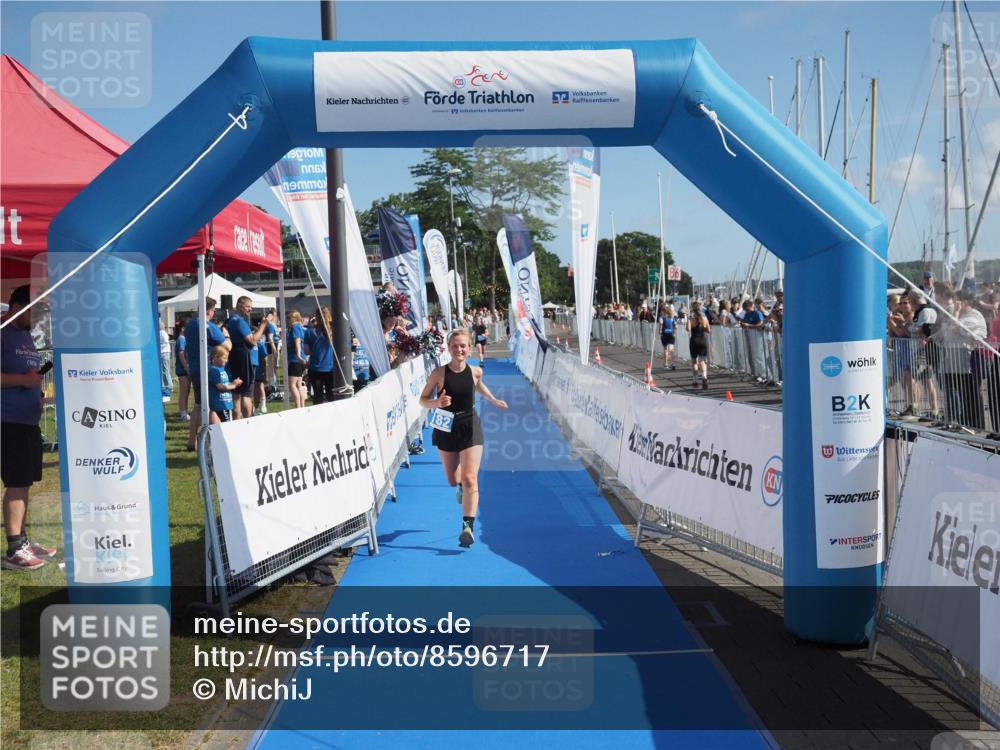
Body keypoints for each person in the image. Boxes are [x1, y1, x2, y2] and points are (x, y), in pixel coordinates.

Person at [419, 329, 508, 548]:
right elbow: (422, 399)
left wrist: (494, 399)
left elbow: (478, 386)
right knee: (453, 479)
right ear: (449, 348)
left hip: (470, 424)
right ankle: (459, 487)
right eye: (455, 345)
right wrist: (436, 403)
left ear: (469, 349)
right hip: (445, 425)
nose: (459, 349)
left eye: (463, 346)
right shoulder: (438, 373)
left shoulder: (476, 371)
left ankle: (467, 526)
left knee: (470, 478)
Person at [1, 286, 56, 570]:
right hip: (7, 420)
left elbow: (31, 377)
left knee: (25, 483)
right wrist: (23, 380)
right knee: (17, 482)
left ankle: (21, 539)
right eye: (36, 311)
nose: (39, 319)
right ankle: (14, 548)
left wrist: (40, 394)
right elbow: (18, 378)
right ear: (19, 306)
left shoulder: (25, 337)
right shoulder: (3, 331)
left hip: (27, 420)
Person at [184, 297, 230, 450]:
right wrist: (227, 334)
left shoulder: (190, 325)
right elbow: (227, 346)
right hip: (208, 369)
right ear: (210, 310)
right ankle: (218, 440)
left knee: (198, 404)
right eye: (214, 310)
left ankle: (192, 441)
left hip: (194, 368)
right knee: (211, 405)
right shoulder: (209, 326)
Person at [225, 296, 269, 419]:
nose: (250, 309)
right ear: (240, 306)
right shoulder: (238, 321)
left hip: (235, 358)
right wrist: (263, 325)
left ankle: (236, 421)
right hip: (243, 359)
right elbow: (253, 341)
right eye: (248, 306)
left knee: (237, 393)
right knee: (245, 393)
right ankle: (248, 421)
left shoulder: (229, 320)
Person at [305, 307, 335, 403]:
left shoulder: (309, 331)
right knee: (332, 396)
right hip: (331, 368)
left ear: (316, 316)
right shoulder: (334, 329)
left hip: (315, 368)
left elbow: (306, 351)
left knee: (318, 396)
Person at [208, 346, 241, 423]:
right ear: (215, 357)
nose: (226, 360)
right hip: (220, 404)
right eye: (224, 358)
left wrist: (234, 383)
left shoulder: (223, 369)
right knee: (226, 425)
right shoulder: (214, 371)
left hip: (226, 403)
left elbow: (225, 383)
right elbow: (220, 386)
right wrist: (233, 385)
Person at [286, 310, 307, 409]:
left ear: (294, 318)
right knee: (299, 384)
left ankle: (298, 407)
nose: (287, 320)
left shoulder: (295, 327)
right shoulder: (299, 327)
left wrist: (298, 356)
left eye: (289, 318)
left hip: (295, 359)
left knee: (292, 385)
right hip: (298, 359)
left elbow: (297, 342)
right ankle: (301, 407)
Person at [688, 304, 711, 390]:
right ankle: (704, 376)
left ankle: (695, 381)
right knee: (702, 361)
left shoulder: (691, 318)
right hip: (702, 340)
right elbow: (708, 330)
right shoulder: (704, 318)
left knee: (694, 362)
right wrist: (702, 328)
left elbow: (688, 329)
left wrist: (690, 322)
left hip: (694, 341)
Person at [175, 317, 191, 422]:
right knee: (184, 392)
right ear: (183, 328)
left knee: (187, 391)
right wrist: (186, 367)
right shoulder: (181, 339)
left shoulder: (184, 338)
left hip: (185, 369)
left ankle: (185, 412)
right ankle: (183, 413)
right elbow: (181, 354)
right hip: (182, 370)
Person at [657, 304, 677, 370]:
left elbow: (660, 323)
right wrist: (674, 332)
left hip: (664, 334)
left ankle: (666, 364)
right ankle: (673, 363)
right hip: (671, 334)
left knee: (665, 349)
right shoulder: (672, 317)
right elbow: (676, 326)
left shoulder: (662, 317)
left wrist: (659, 330)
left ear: (663, 311)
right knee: (671, 349)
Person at [159, 318, 172, 401]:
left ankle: (168, 385)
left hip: (164, 352)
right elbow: (166, 341)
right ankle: (165, 385)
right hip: (163, 352)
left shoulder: (162, 333)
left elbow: (165, 341)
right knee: (164, 370)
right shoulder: (162, 332)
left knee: (165, 370)